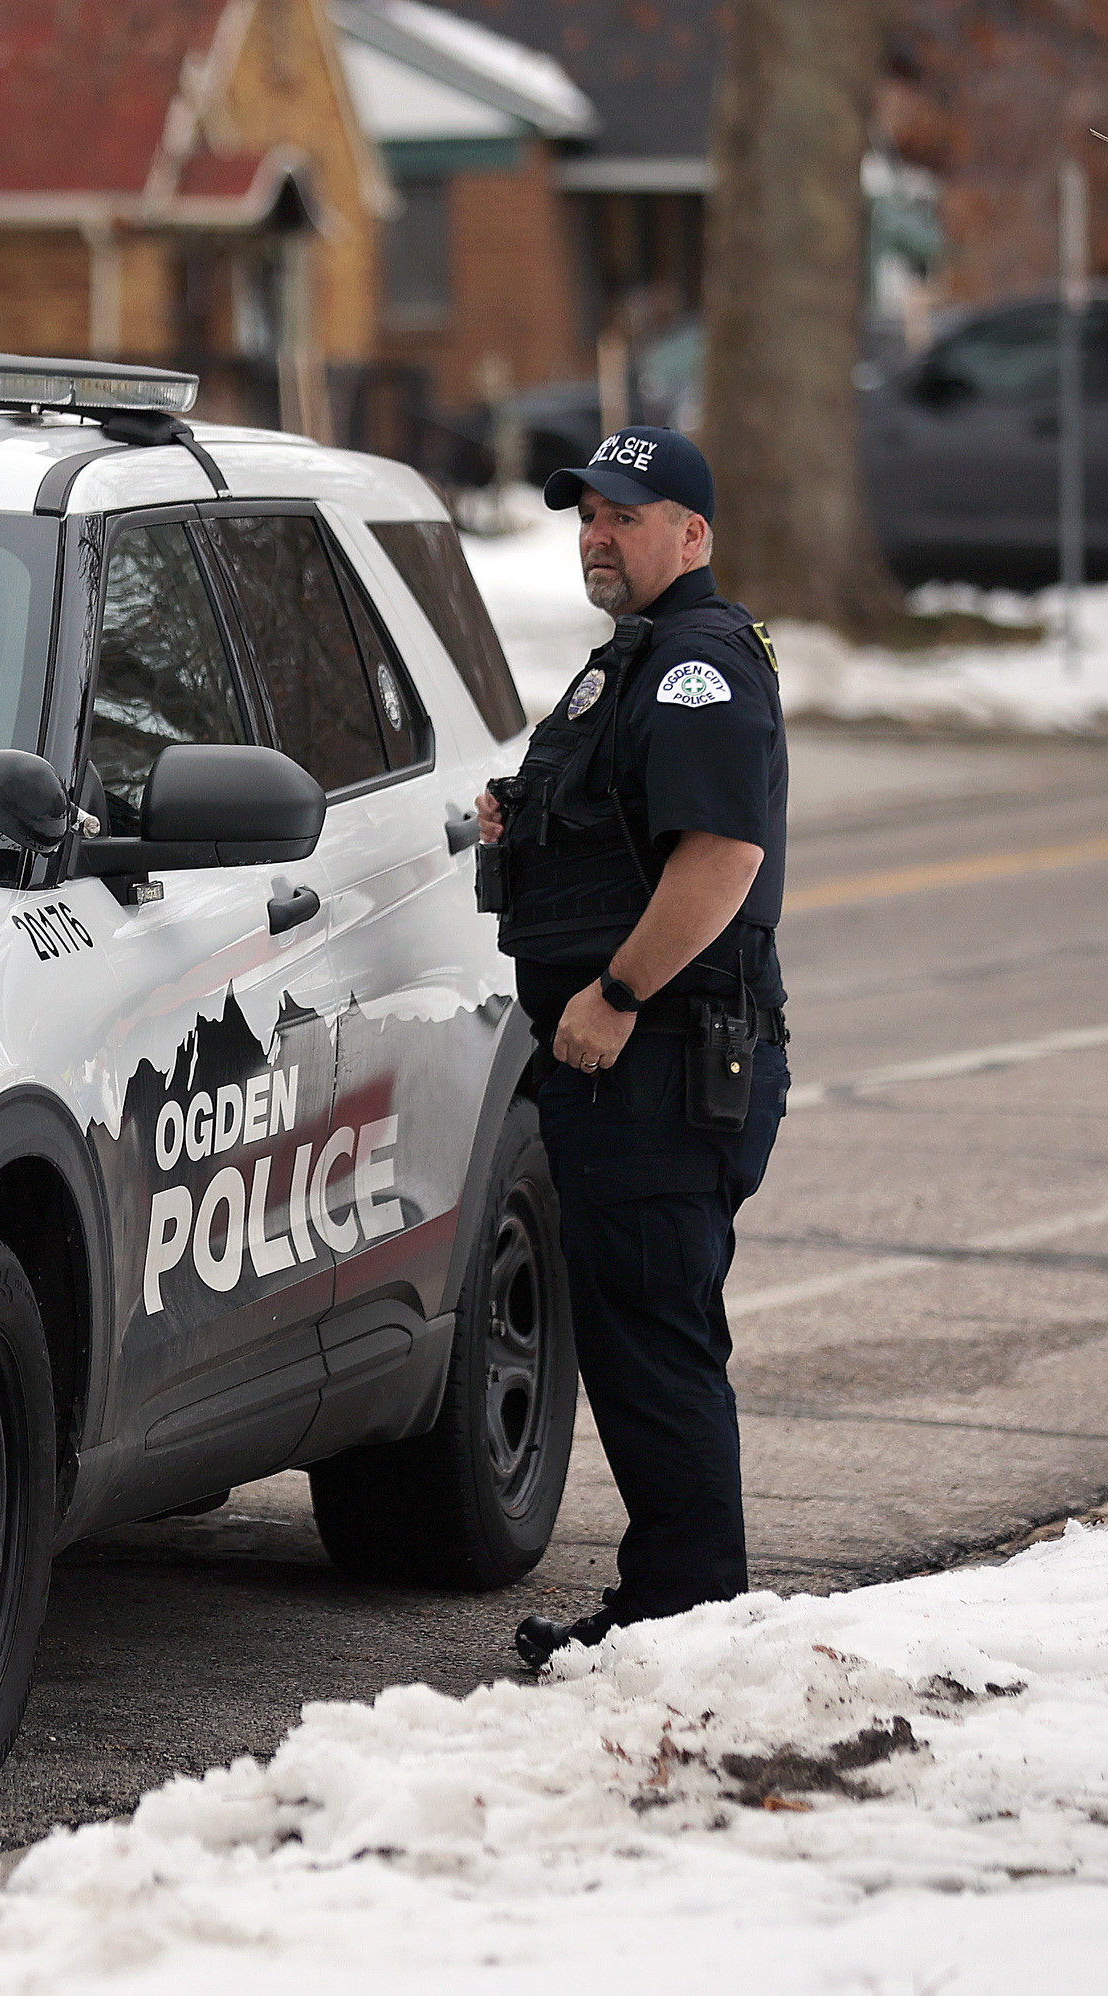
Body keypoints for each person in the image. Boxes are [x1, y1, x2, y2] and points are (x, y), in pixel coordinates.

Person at [473, 426, 791, 1670]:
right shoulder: (639, 659)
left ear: (691, 535)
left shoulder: (701, 666)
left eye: (625, 514)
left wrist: (612, 992)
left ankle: (693, 1626)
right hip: (630, 1070)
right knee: (634, 1335)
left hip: (657, 1060)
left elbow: (721, 860)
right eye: (586, 515)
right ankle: (671, 1603)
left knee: (657, 1344)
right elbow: (627, 826)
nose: (597, 535)